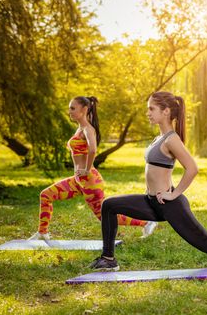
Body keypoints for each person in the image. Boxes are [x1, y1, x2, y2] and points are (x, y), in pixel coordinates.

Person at [89, 91, 207, 270]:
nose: (147, 113)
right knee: (109, 205)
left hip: (169, 204)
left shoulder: (172, 139)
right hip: (151, 201)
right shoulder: (160, 137)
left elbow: (192, 168)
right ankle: (108, 258)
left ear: (166, 112)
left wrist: (173, 193)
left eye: (151, 109)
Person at [28, 96, 157, 240]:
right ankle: (42, 232)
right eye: (69, 108)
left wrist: (87, 169)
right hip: (78, 180)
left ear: (84, 110)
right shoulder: (80, 129)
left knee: (104, 216)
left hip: (89, 181)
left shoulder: (88, 129)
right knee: (46, 195)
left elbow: (93, 150)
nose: (69, 111)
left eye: (72, 108)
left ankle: (146, 223)